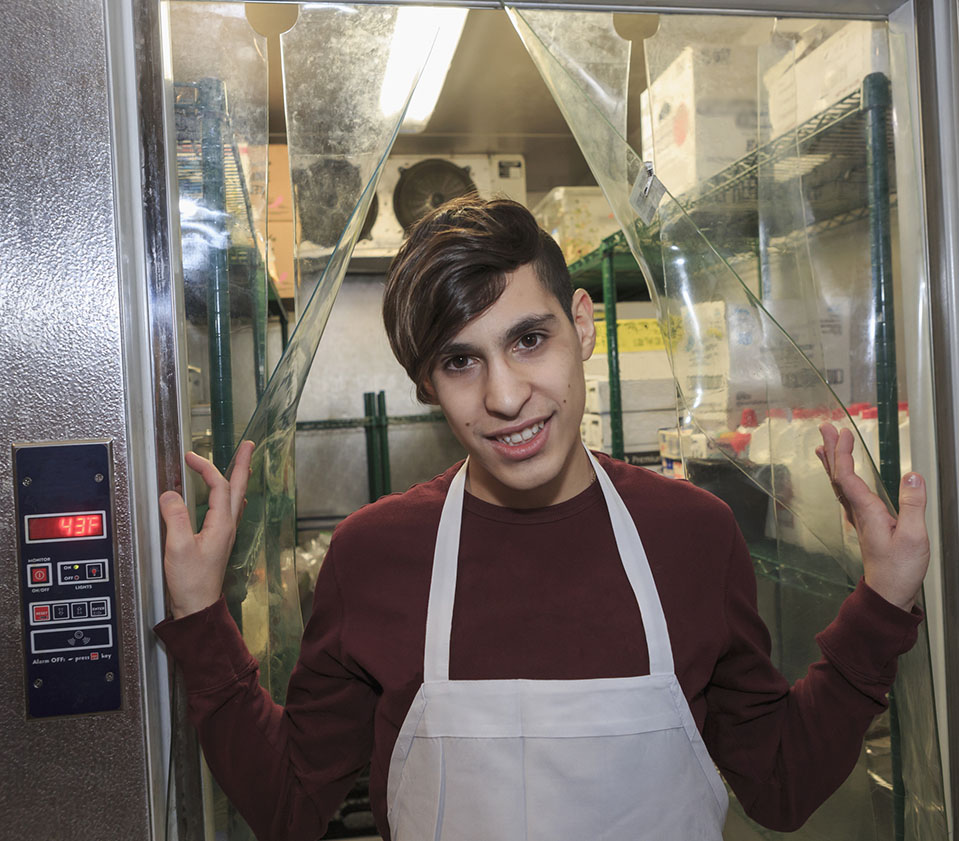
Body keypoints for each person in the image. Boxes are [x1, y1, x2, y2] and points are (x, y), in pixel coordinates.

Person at [156, 196, 929, 841]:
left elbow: (781, 783)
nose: (503, 395)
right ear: (428, 384)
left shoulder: (690, 535)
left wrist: (882, 603)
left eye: (529, 339)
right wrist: (198, 614)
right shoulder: (376, 556)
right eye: (460, 361)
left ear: (581, 324)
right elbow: (289, 804)